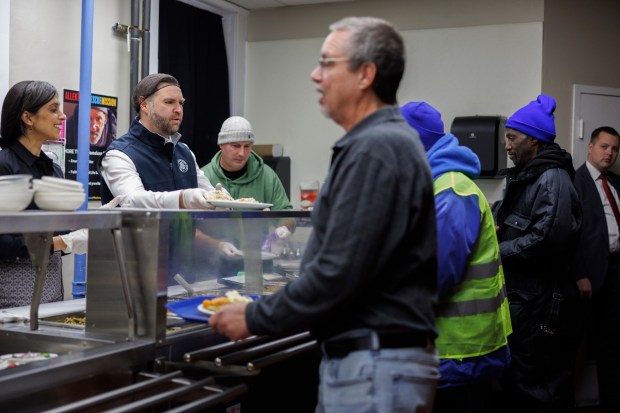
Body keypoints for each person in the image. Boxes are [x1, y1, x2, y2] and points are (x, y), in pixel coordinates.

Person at [209, 16, 439, 413]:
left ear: (366, 73)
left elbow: (337, 271)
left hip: (374, 367)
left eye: (328, 63)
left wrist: (254, 316)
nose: (316, 75)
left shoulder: (375, 148)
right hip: (373, 363)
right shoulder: (378, 143)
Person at [401, 101, 512, 413]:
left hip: (461, 347)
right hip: (450, 344)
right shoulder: (434, 184)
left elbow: (435, 273)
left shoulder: (451, 191)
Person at [493, 94, 582, 412]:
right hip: (525, 299)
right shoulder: (527, 176)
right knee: (519, 382)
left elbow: (548, 239)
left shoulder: (552, 178)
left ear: (534, 139)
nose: (506, 144)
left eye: (512, 137)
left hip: (543, 303)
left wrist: (498, 251)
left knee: (538, 388)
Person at [0, 80, 79, 308]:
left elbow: (61, 233)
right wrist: (61, 242)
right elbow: (4, 243)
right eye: (53, 109)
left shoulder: (54, 170)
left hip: (52, 291)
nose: (63, 117)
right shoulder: (4, 166)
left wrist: (77, 237)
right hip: (10, 298)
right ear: (28, 118)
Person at [97, 73, 221, 209]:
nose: (178, 110)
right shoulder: (119, 154)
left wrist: (221, 200)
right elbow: (132, 200)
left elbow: (208, 195)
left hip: (187, 231)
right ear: (144, 105)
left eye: (181, 103)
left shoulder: (185, 152)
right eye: (169, 102)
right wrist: (181, 198)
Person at [572, 126, 620, 413]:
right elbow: (569, 235)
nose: (610, 153)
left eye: (614, 149)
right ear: (590, 147)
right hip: (588, 277)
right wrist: (579, 274)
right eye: (604, 146)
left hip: (616, 272)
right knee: (577, 343)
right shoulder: (575, 182)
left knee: (613, 345)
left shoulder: (615, 183)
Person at [201, 116, 292, 210]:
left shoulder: (268, 177)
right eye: (236, 146)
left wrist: (281, 224)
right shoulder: (203, 176)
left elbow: (286, 214)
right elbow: (191, 219)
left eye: (247, 146)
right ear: (221, 144)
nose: (242, 153)